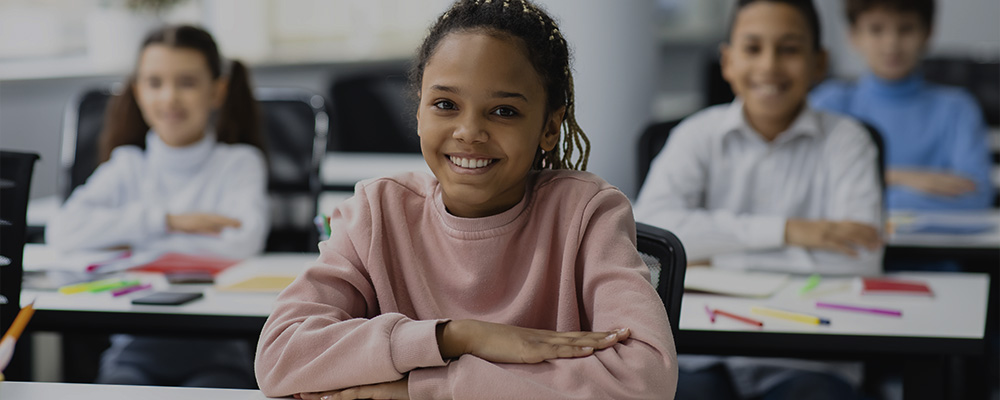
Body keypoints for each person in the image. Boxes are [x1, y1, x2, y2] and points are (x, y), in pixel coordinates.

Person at [254, 1, 677, 399]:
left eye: (504, 111)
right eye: (445, 105)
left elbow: (644, 379)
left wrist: (427, 389)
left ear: (550, 127)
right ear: (418, 112)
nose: (469, 131)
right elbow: (280, 355)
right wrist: (456, 335)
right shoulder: (377, 212)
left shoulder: (587, 214)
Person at [634, 0, 881, 399]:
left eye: (789, 49)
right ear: (728, 62)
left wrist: (712, 257)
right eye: (752, 48)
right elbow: (655, 239)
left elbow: (859, 253)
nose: (769, 66)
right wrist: (791, 231)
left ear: (819, 63)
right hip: (700, 355)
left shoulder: (848, 141)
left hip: (809, 358)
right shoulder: (696, 134)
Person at [46, 25, 269, 388]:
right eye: (154, 83)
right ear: (137, 92)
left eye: (187, 82)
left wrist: (128, 243)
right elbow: (64, 231)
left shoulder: (239, 163)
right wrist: (170, 222)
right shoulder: (127, 165)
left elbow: (241, 241)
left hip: (219, 356)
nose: (169, 98)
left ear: (217, 90)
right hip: (132, 354)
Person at [811, 0, 993, 211]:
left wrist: (864, 186)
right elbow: (812, 188)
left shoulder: (957, 108)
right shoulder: (830, 102)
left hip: (939, 244)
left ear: (928, 33)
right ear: (853, 35)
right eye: (876, 30)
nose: (892, 44)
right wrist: (899, 177)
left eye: (906, 29)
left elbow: (977, 198)